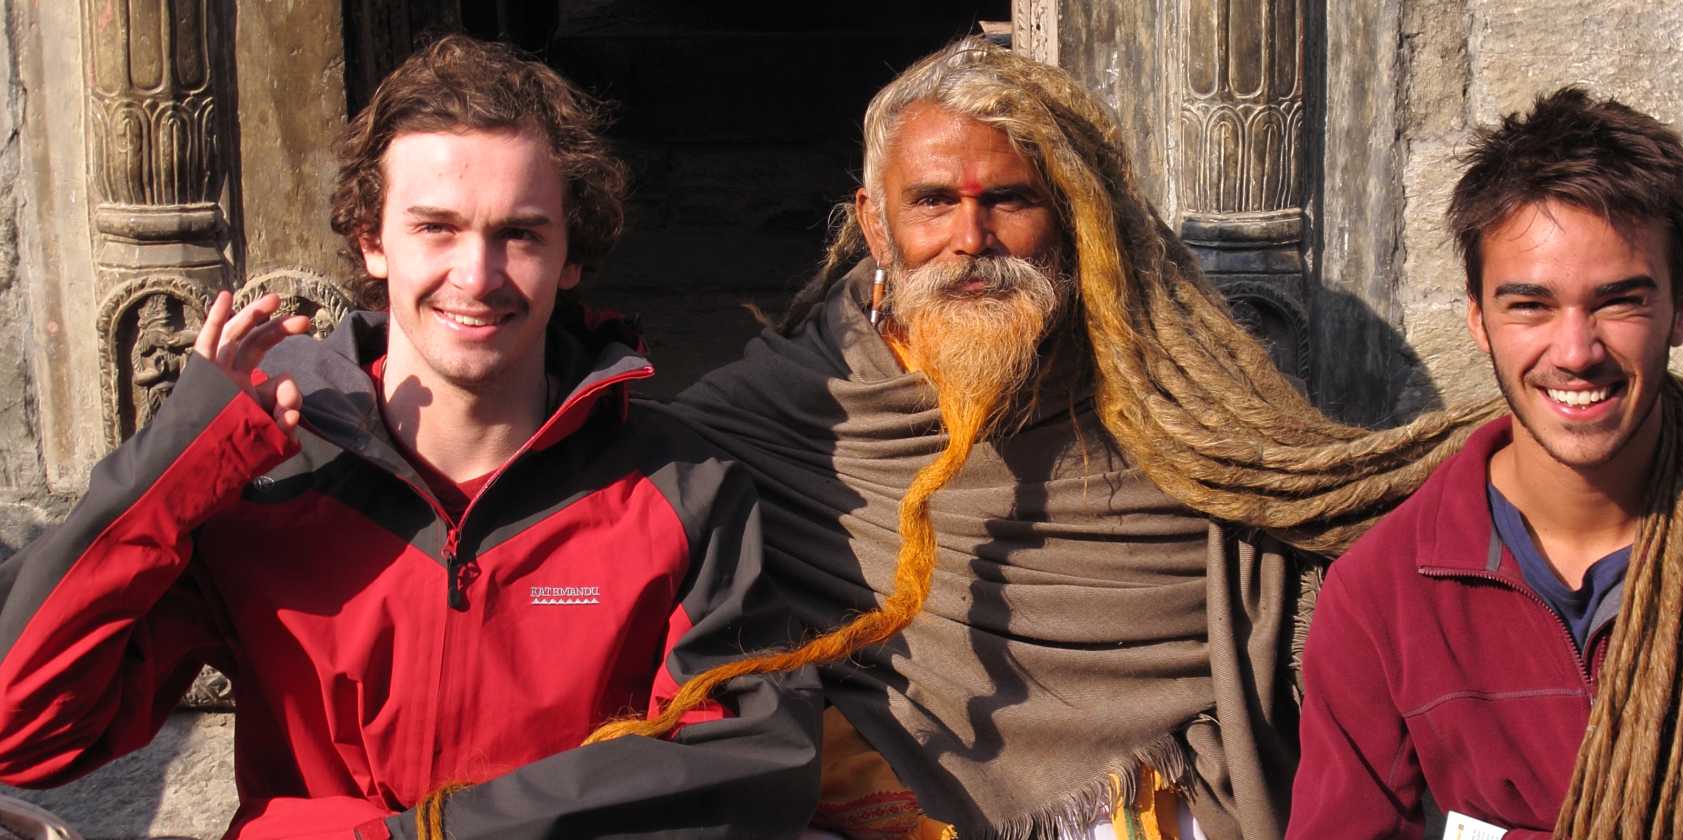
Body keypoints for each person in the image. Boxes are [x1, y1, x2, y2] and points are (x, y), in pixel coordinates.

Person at [657, 39, 1498, 840]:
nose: (970, 240)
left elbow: (1318, 521)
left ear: (1074, 217)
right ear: (876, 228)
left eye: (1010, 200)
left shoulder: (1173, 396)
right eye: (934, 201)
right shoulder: (787, 409)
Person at [0, 35, 819, 839]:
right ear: (371, 240)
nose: (477, 275)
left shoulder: (682, 488)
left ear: (574, 254)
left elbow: (751, 763)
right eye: (436, 227)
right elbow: (20, 729)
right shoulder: (268, 489)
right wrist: (175, 464)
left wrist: (425, 834)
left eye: (521, 234)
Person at [1288, 87, 1683, 838]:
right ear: (1477, 318)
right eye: (1530, 305)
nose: (1577, 352)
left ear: (1681, 307)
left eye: (1619, 302)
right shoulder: (1385, 590)